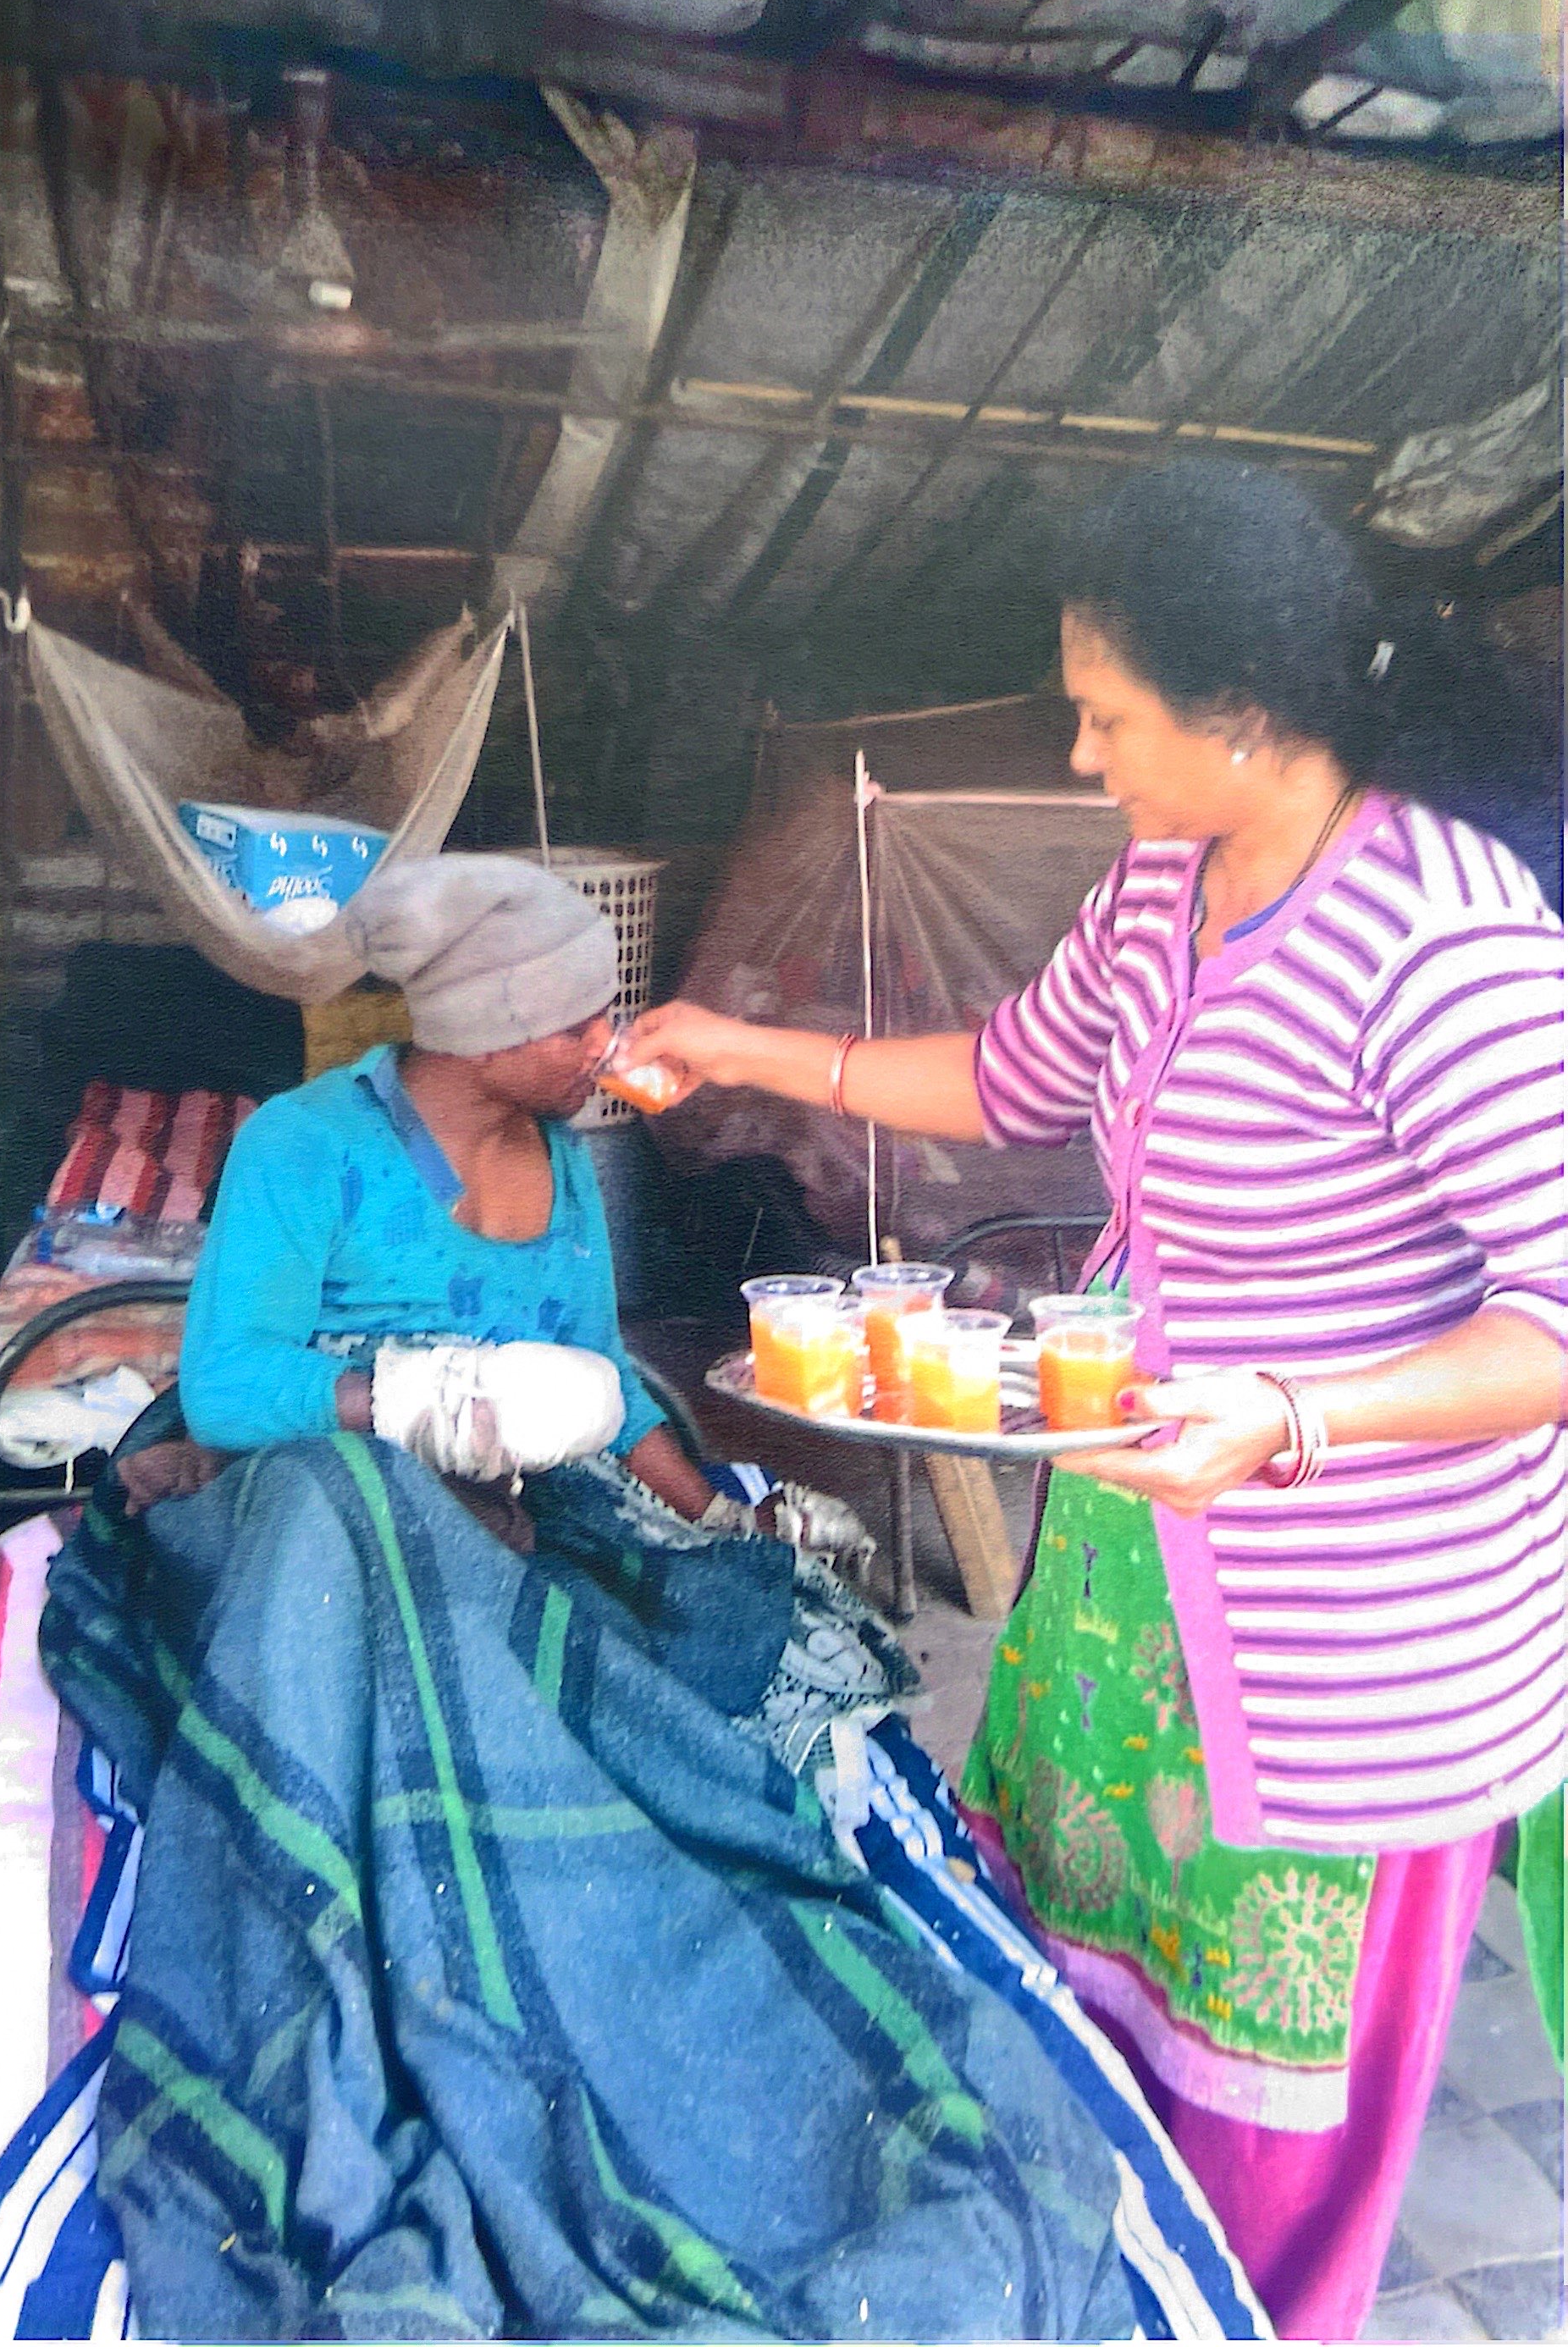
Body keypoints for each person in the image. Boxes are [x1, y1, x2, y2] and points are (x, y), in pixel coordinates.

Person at [621, 458, 1566, 2341]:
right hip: (1143, 1575)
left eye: (1106, 716)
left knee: (1269, 2112)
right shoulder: (1165, 879)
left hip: (1345, 1636)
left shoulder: (1442, 941)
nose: (1077, 755)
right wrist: (746, 1048)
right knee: (1090, 1997)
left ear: (1245, 716)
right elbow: (1009, 1075)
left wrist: (1284, 1417)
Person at [121, 857, 764, 1542]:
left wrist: (721, 1518)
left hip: (518, 1507)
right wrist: (434, 1403)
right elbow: (228, 1384)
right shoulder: (305, 1144)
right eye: (578, 1030)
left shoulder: (566, 1160)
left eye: (606, 1020)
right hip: (335, 1511)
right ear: (482, 1038)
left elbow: (607, 1377)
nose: (606, 1050)